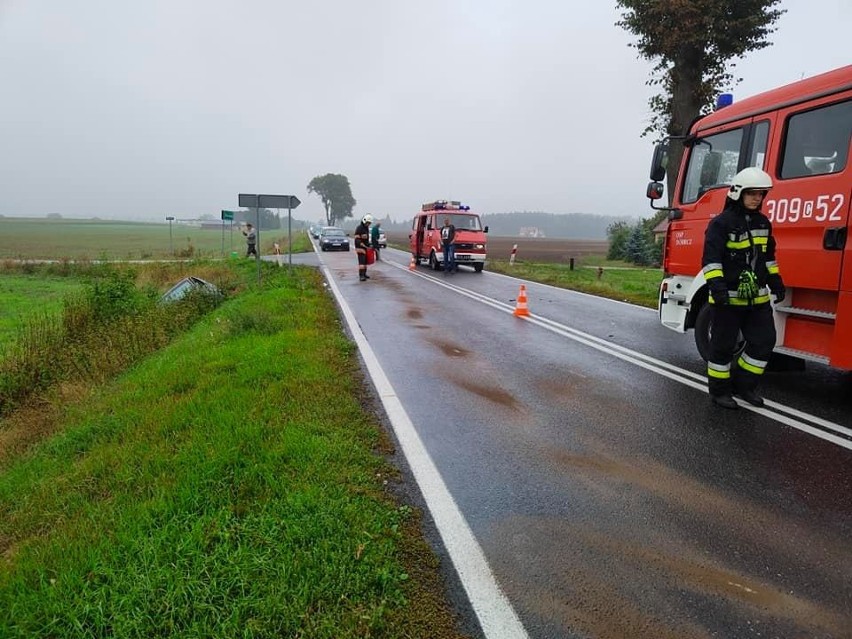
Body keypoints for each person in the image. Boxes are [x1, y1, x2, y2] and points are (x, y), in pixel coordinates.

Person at [702, 167, 785, 409]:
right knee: (722, 348)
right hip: (727, 299)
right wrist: (718, 290)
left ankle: (744, 386)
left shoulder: (763, 223)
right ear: (738, 193)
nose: (757, 198)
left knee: (764, 342)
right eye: (752, 194)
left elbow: (768, 258)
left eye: (761, 194)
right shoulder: (720, 224)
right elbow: (711, 260)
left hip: (757, 300)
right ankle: (719, 392)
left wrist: (776, 283)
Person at [354, 214, 373, 281]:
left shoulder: (366, 228)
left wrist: (369, 244)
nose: (368, 224)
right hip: (360, 248)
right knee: (361, 262)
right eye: (368, 223)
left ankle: (364, 274)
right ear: (364, 221)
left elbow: (366, 239)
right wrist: (362, 244)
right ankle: (361, 276)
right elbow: (357, 239)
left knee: (365, 262)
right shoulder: (359, 228)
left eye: (369, 223)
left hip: (365, 247)